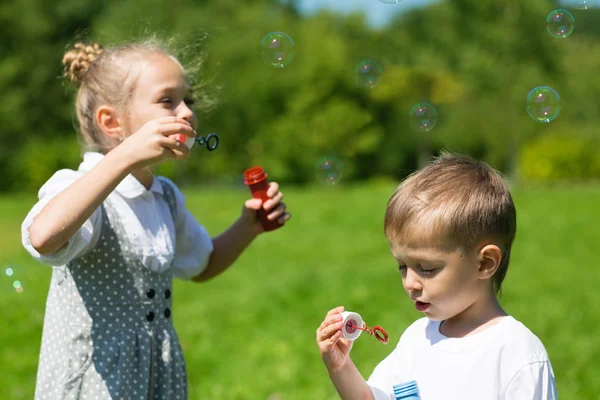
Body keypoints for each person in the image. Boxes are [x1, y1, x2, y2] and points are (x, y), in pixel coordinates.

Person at [21, 40, 290, 399]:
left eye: (188, 101)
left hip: (156, 379)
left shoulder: (164, 196)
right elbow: (43, 237)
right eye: (168, 101)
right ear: (111, 122)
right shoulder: (79, 189)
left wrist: (248, 227)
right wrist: (123, 157)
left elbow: (203, 264)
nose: (187, 112)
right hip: (94, 382)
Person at [316, 152, 557, 400]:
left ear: (484, 263)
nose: (410, 283)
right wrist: (340, 367)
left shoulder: (516, 355)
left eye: (427, 268)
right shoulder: (417, 340)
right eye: (402, 266)